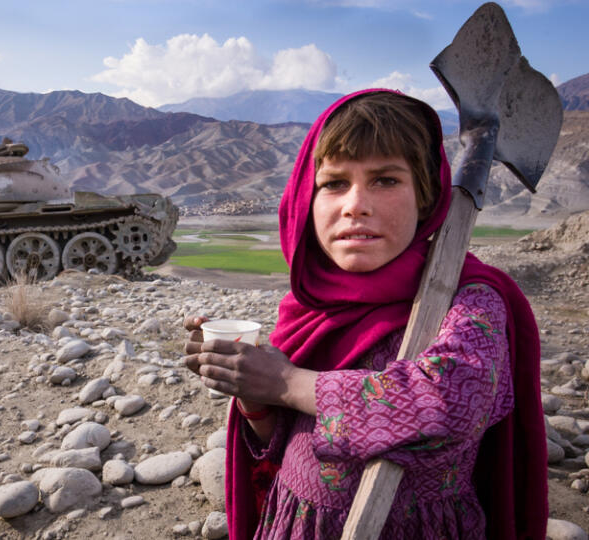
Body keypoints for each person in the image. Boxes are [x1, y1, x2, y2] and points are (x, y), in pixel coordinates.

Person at [183, 89, 546, 539]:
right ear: (304, 202)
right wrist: (253, 392)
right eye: (334, 183)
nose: (356, 203)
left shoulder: (468, 298)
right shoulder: (310, 307)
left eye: (386, 180)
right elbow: (288, 440)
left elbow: (456, 403)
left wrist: (287, 382)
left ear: (426, 198)